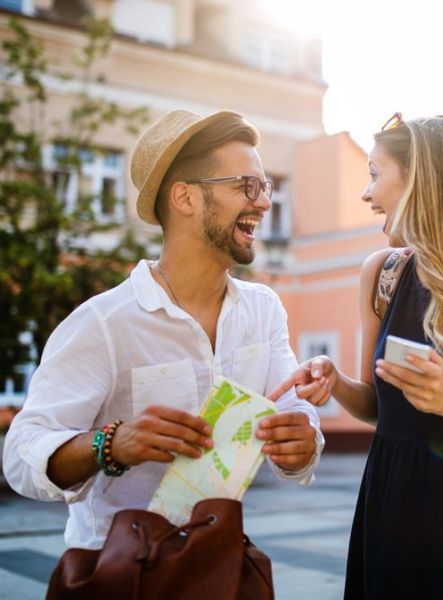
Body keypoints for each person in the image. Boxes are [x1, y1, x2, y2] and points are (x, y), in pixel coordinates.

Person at [2, 109, 324, 550]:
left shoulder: (264, 309)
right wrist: (110, 444)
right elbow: (21, 456)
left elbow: (292, 414)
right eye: (246, 185)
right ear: (185, 198)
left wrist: (303, 442)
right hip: (120, 576)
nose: (264, 202)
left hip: (219, 565)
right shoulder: (103, 323)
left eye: (264, 187)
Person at [272, 114, 443, 599]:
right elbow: (378, 408)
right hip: (387, 506)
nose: (366, 193)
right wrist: (334, 380)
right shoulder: (382, 274)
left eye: (376, 174)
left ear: (422, 179)